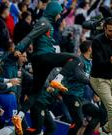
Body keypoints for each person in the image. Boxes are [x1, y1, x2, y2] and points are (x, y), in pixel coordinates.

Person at [13, 1, 88, 134]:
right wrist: (19, 48)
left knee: (35, 93)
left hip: (40, 61)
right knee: (75, 59)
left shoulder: (47, 23)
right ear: (53, 12)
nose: (59, 16)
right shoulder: (44, 23)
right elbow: (30, 36)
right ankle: (58, 80)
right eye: (58, 14)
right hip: (44, 57)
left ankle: (19, 116)